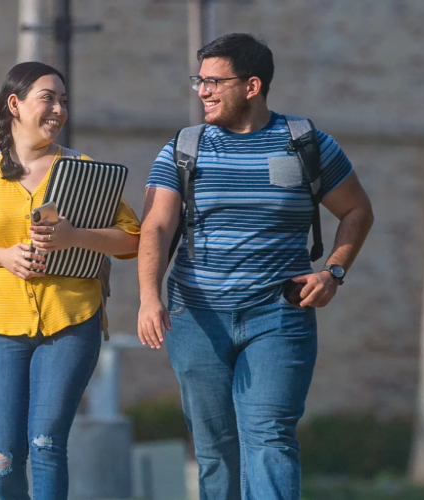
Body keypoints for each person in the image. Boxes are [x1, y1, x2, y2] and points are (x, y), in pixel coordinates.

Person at [136, 33, 376, 500]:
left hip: (279, 316)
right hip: (197, 317)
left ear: (251, 86)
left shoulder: (306, 143)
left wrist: (334, 272)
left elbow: (357, 211)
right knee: (214, 448)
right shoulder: (185, 148)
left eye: (213, 82)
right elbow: (157, 228)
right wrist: (149, 297)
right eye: (198, 81)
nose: (202, 91)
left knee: (269, 438)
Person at [0, 61, 141, 500]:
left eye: (63, 101)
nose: (58, 109)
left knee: (46, 444)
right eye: (47, 98)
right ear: (15, 104)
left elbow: (133, 239)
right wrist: (3, 257)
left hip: (71, 320)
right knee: (2, 458)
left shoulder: (83, 169)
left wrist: (75, 236)